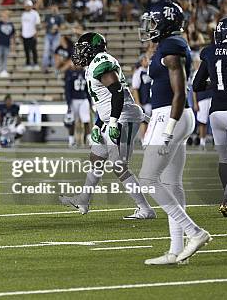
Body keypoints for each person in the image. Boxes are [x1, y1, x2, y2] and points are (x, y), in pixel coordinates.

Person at [138, 2, 211, 265]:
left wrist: (168, 128)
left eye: (154, 22)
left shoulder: (171, 47)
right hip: (174, 114)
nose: (150, 28)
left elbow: (179, 92)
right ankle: (176, 251)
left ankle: (195, 232)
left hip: (171, 114)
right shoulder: (168, 45)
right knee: (171, 184)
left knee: (147, 178)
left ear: (166, 22)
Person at [59, 32, 155, 219]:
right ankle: (83, 200)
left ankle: (145, 209)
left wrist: (112, 122)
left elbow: (117, 93)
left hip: (122, 117)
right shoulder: (93, 65)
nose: (79, 52)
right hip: (112, 117)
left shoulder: (101, 62)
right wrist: (97, 125)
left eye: (83, 49)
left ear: (92, 49)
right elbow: (104, 100)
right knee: (96, 157)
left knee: (119, 165)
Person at [192, 17, 227, 217]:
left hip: (216, 112)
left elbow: (197, 85)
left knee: (224, 159)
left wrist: (215, 83)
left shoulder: (209, 52)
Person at [63, 62, 91, 147]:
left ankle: (89, 140)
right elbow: (67, 89)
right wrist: (68, 103)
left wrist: (90, 101)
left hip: (83, 99)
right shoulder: (70, 73)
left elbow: (88, 89)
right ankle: (71, 141)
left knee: (86, 120)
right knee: (72, 121)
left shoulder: (85, 73)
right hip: (74, 100)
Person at [191, 54, 213, 150]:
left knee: (215, 121)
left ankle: (216, 141)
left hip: (212, 97)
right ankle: (202, 142)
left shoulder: (211, 70)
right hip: (202, 98)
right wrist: (195, 103)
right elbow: (194, 90)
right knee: (202, 122)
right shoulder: (196, 73)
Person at [131, 53, 152, 141]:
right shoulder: (139, 73)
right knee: (145, 120)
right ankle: (144, 139)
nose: (148, 61)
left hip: (152, 100)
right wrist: (138, 102)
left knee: (151, 120)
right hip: (144, 100)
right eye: (145, 59)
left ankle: (149, 138)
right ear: (141, 61)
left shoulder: (150, 71)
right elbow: (135, 88)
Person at [0, 10, 15, 78]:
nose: (4, 17)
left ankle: (3, 70)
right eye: (3, 16)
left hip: (7, 44)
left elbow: (12, 35)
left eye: (5, 16)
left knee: (5, 58)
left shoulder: (11, 24)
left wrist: (13, 44)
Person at [42, 3, 64, 72]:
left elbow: (63, 26)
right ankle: (45, 66)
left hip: (56, 35)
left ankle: (54, 66)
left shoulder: (59, 16)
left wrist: (57, 28)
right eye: (52, 7)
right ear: (51, 8)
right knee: (46, 50)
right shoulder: (47, 16)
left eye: (55, 7)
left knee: (55, 50)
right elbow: (43, 24)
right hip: (48, 34)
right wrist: (47, 26)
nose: (54, 9)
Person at [21, 0, 40, 70]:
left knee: (33, 50)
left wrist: (36, 33)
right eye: (26, 6)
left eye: (28, 6)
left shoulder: (35, 13)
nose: (27, 7)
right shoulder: (23, 14)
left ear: (31, 6)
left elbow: (37, 24)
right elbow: (23, 25)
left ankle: (35, 63)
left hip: (32, 34)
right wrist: (21, 33)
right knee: (26, 50)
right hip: (24, 35)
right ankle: (28, 63)